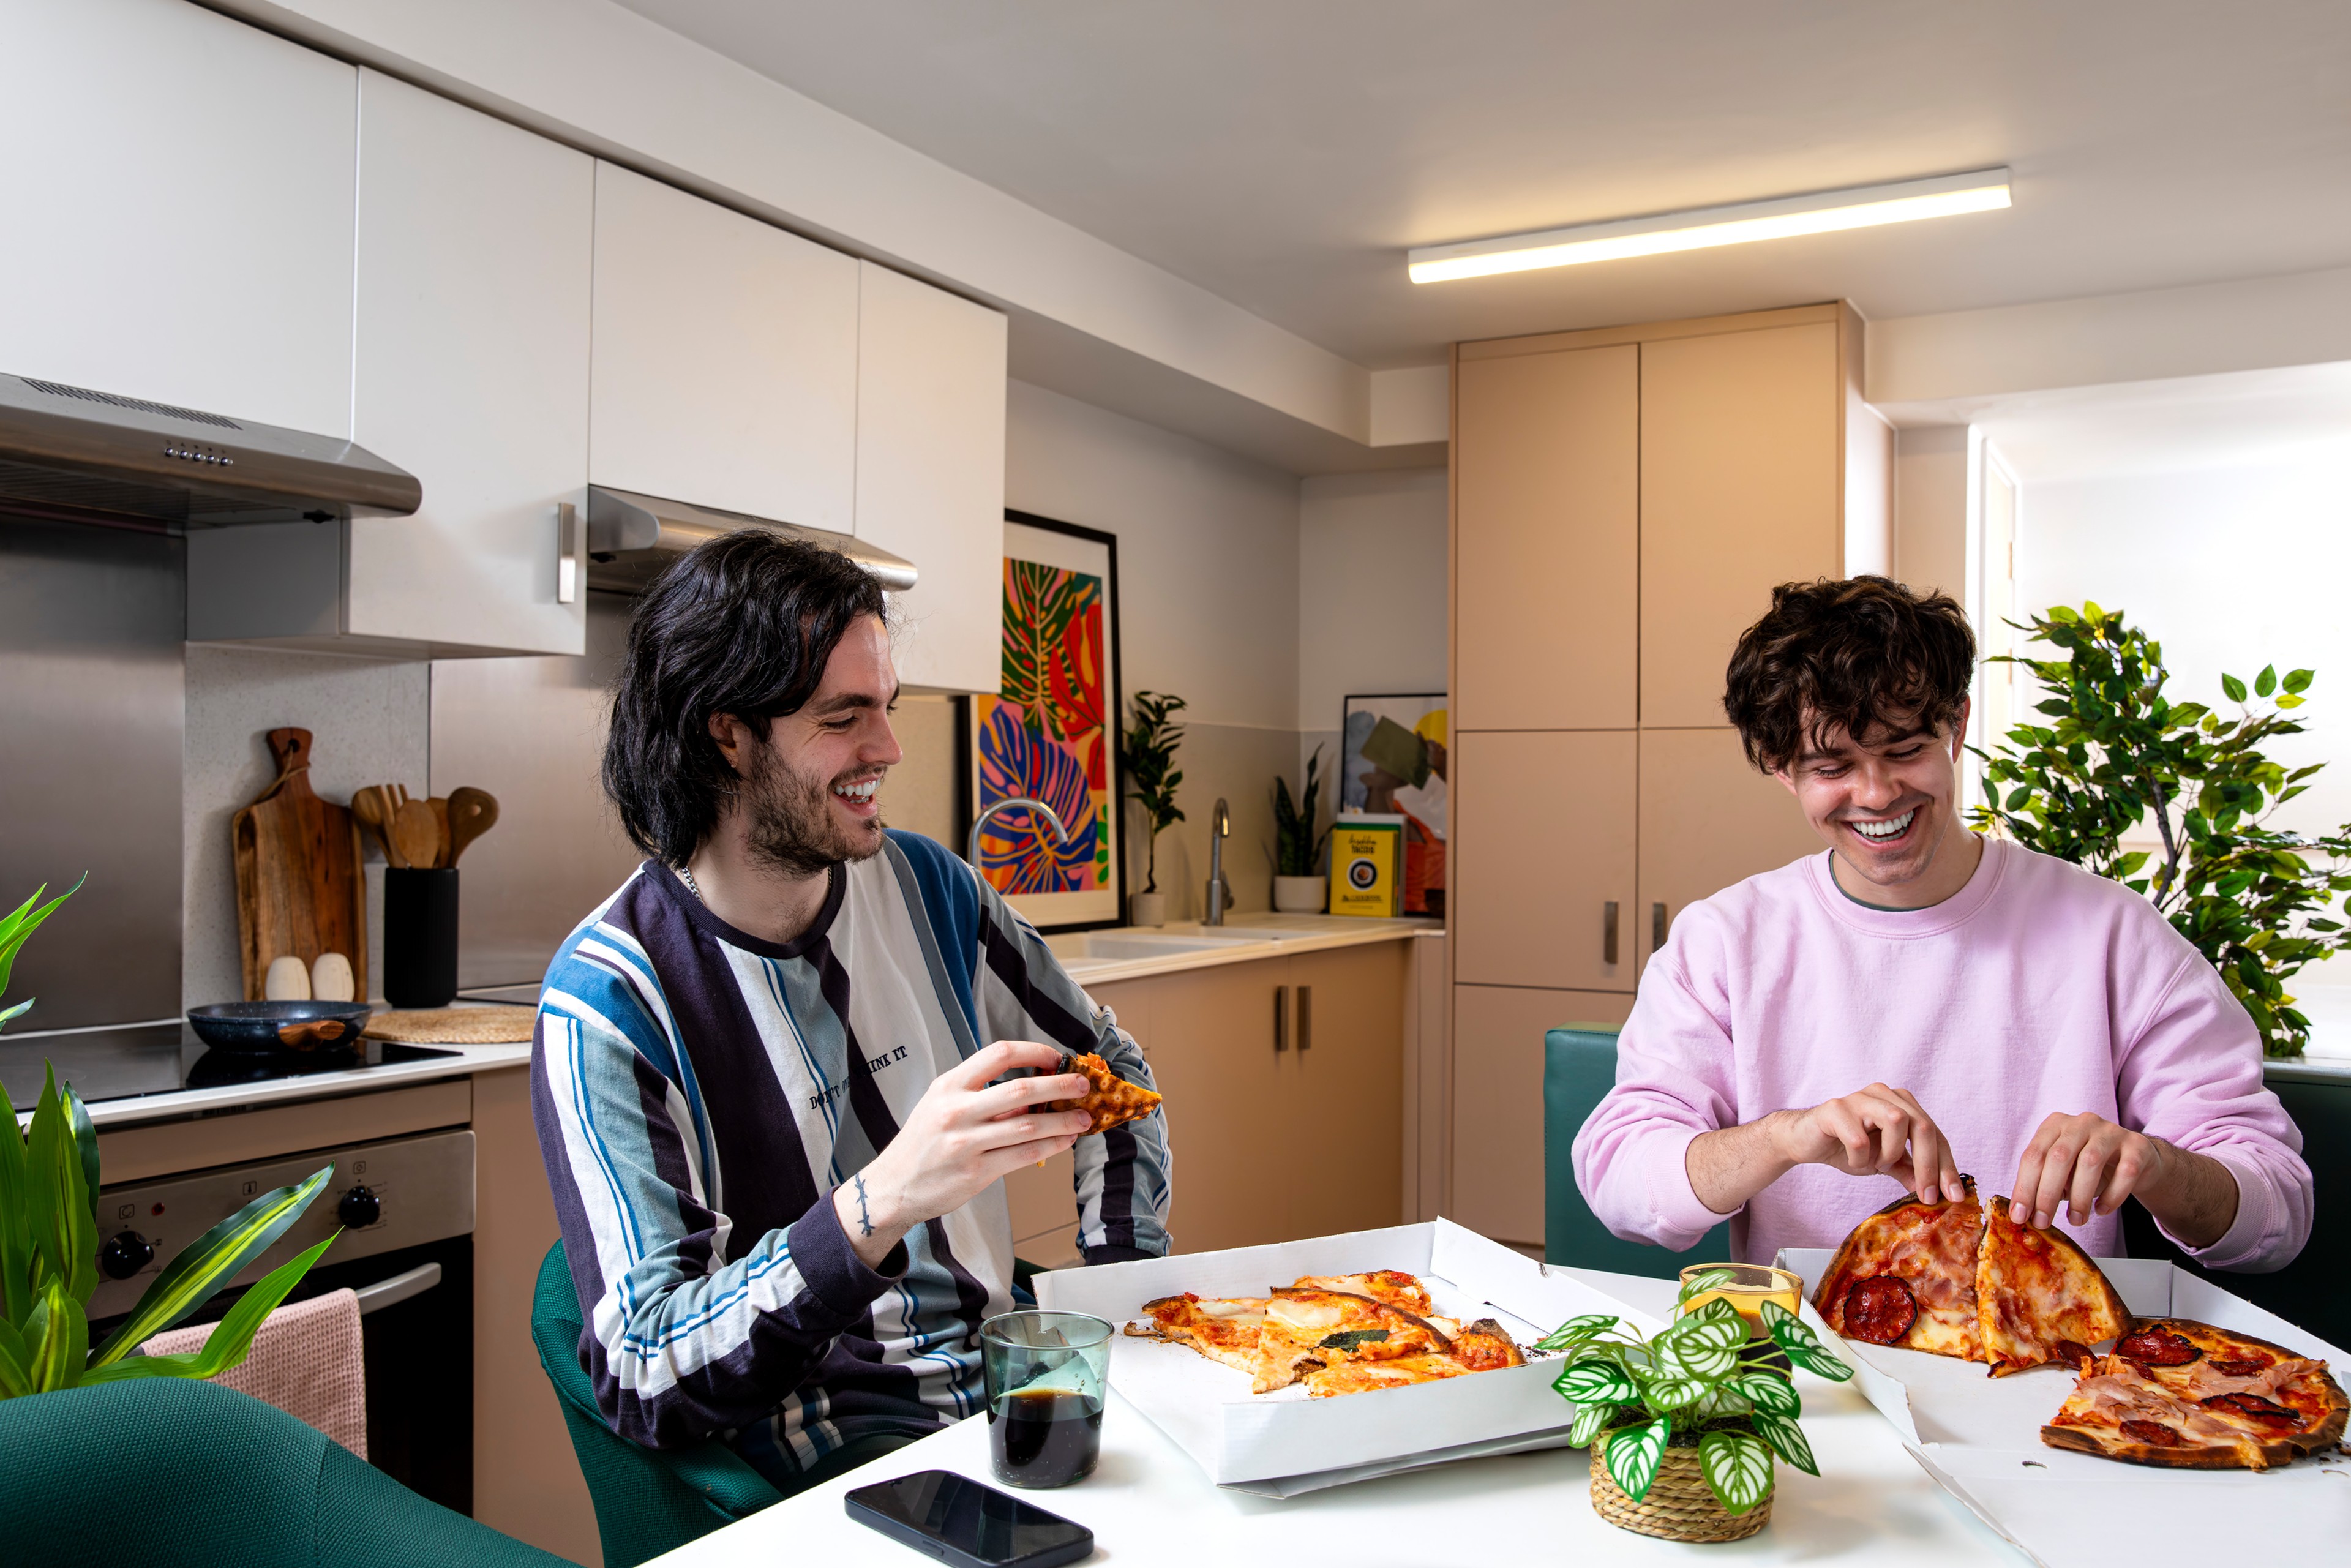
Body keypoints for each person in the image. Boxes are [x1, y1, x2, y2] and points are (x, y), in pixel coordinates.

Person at [532, 531, 1171, 1492]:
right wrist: (881, 1201)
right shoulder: (611, 1002)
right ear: (727, 733)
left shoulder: (930, 889)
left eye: (888, 708)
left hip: (1008, 1410)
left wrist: (1118, 1295)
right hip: (831, 1473)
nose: (889, 748)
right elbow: (644, 1370)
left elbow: (1113, 1068)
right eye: (844, 717)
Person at [1575, 576, 2310, 1273]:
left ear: (1955, 725)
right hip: (1811, 1373)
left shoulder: (2115, 934)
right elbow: (1621, 1180)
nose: (1877, 792)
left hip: (2051, 1372)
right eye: (1833, 765)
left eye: (1905, 749)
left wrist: (2155, 1162)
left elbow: (2278, 1212)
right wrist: (1784, 1136)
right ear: (1780, 764)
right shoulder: (1724, 942)